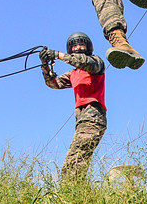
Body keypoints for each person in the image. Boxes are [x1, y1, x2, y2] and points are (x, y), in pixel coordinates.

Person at [40, 32, 107, 183]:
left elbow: (82, 61)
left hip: (93, 117)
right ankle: (82, 199)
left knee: (73, 166)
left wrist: (57, 55)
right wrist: (45, 65)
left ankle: (73, 196)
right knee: (75, 165)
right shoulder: (73, 74)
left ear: (88, 47)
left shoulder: (96, 63)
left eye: (81, 44)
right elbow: (53, 83)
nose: (78, 47)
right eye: (74, 45)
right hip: (82, 119)